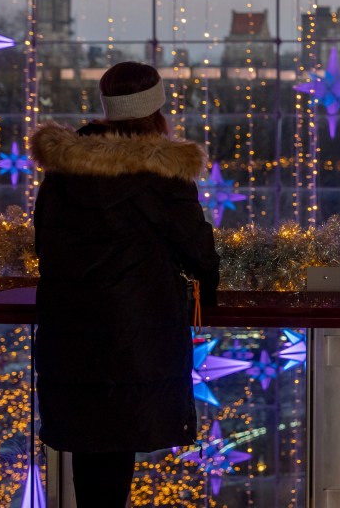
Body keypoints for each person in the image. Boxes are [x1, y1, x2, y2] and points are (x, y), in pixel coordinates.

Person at [32, 61, 220, 507]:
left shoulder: (63, 169)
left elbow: (46, 242)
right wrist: (207, 295)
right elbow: (195, 247)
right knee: (118, 446)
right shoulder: (162, 172)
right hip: (137, 329)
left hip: (70, 326)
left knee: (91, 448)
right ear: (156, 109)